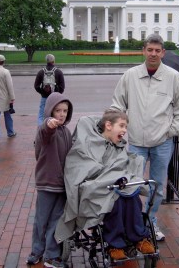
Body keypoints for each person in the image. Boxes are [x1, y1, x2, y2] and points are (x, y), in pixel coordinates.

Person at [110, 34, 179, 241]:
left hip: (162, 143)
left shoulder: (173, 77)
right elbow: (117, 105)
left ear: (163, 52)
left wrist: (171, 131)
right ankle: (134, 224)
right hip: (136, 142)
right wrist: (117, 130)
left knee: (157, 187)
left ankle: (151, 222)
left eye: (157, 50)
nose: (153, 54)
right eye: (150, 50)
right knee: (131, 185)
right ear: (143, 51)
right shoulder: (130, 76)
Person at [55, 109, 155, 261]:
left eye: (126, 127)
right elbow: (82, 167)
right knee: (114, 201)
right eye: (121, 126)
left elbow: (121, 165)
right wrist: (111, 176)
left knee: (132, 195)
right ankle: (115, 244)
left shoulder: (118, 146)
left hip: (115, 186)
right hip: (95, 187)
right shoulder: (88, 144)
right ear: (108, 125)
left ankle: (138, 238)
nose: (124, 131)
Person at [26, 92, 73, 268]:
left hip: (62, 186)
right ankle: (36, 251)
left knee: (56, 220)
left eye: (65, 111)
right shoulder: (46, 129)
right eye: (57, 110)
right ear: (50, 112)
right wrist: (49, 123)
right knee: (41, 219)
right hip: (47, 183)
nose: (61, 114)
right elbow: (46, 131)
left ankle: (52, 254)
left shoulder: (66, 132)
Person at [34, 54, 65, 126]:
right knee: (55, 115)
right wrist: (57, 94)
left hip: (44, 97)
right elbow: (62, 87)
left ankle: (41, 131)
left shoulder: (41, 72)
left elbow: (36, 86)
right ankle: (54, 131)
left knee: (41, 115)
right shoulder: (58, 72)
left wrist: (42, 92)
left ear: (46, 61)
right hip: (55, 98)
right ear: (54, 61)